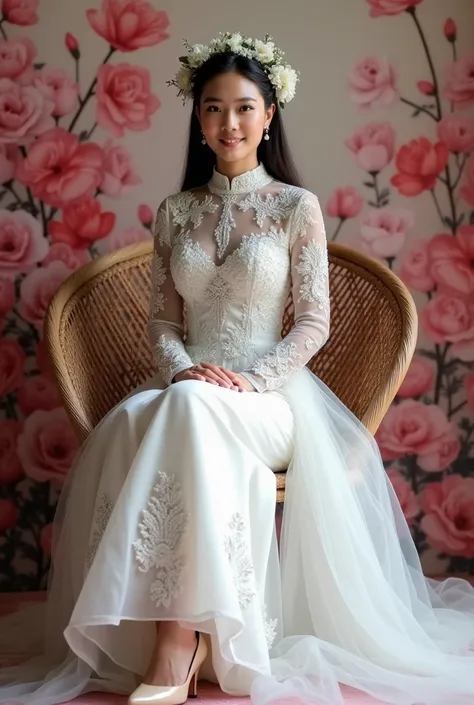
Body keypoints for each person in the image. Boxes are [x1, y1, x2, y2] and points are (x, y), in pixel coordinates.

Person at [1, 30, 474, 705]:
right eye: (215, 108)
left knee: (185, 412)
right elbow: (162, 322)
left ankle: (175, 639)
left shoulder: (293, 208)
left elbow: (313, 322)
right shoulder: (175, 212)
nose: (230, 122)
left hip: (272, 399)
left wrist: (250, 381)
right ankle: (193, 631)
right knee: (152, 412)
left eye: (245, 107)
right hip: (190, 389)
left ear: (270, 114)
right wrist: (186, 371)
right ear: (198, 118)